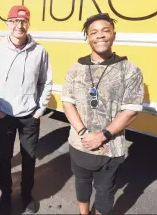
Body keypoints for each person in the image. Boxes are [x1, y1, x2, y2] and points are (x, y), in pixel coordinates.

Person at [61, 13, 144, 215]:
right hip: (79, 143)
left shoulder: (130, 70)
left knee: (105, 191)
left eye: (105, 31)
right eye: (94, 32)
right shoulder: (75, 69)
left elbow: (131, 110)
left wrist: (102, 135)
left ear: (114, 35)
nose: (100, 36)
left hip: (110, 147)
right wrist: (83, 133)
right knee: (81, 182)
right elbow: (67, 102)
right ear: (88, 38)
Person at [0, 5, 53, 214]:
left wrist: (40, 109)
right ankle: (6, 195)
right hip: (5, 116)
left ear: (28, 24)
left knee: (29, 158)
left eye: (23, 21)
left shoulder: (40, 52)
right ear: (7, 24)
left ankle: (26, 194)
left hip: (30, 116)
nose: (19, 26)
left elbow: (46, 82)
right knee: (5, 157)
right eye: (14, 21)